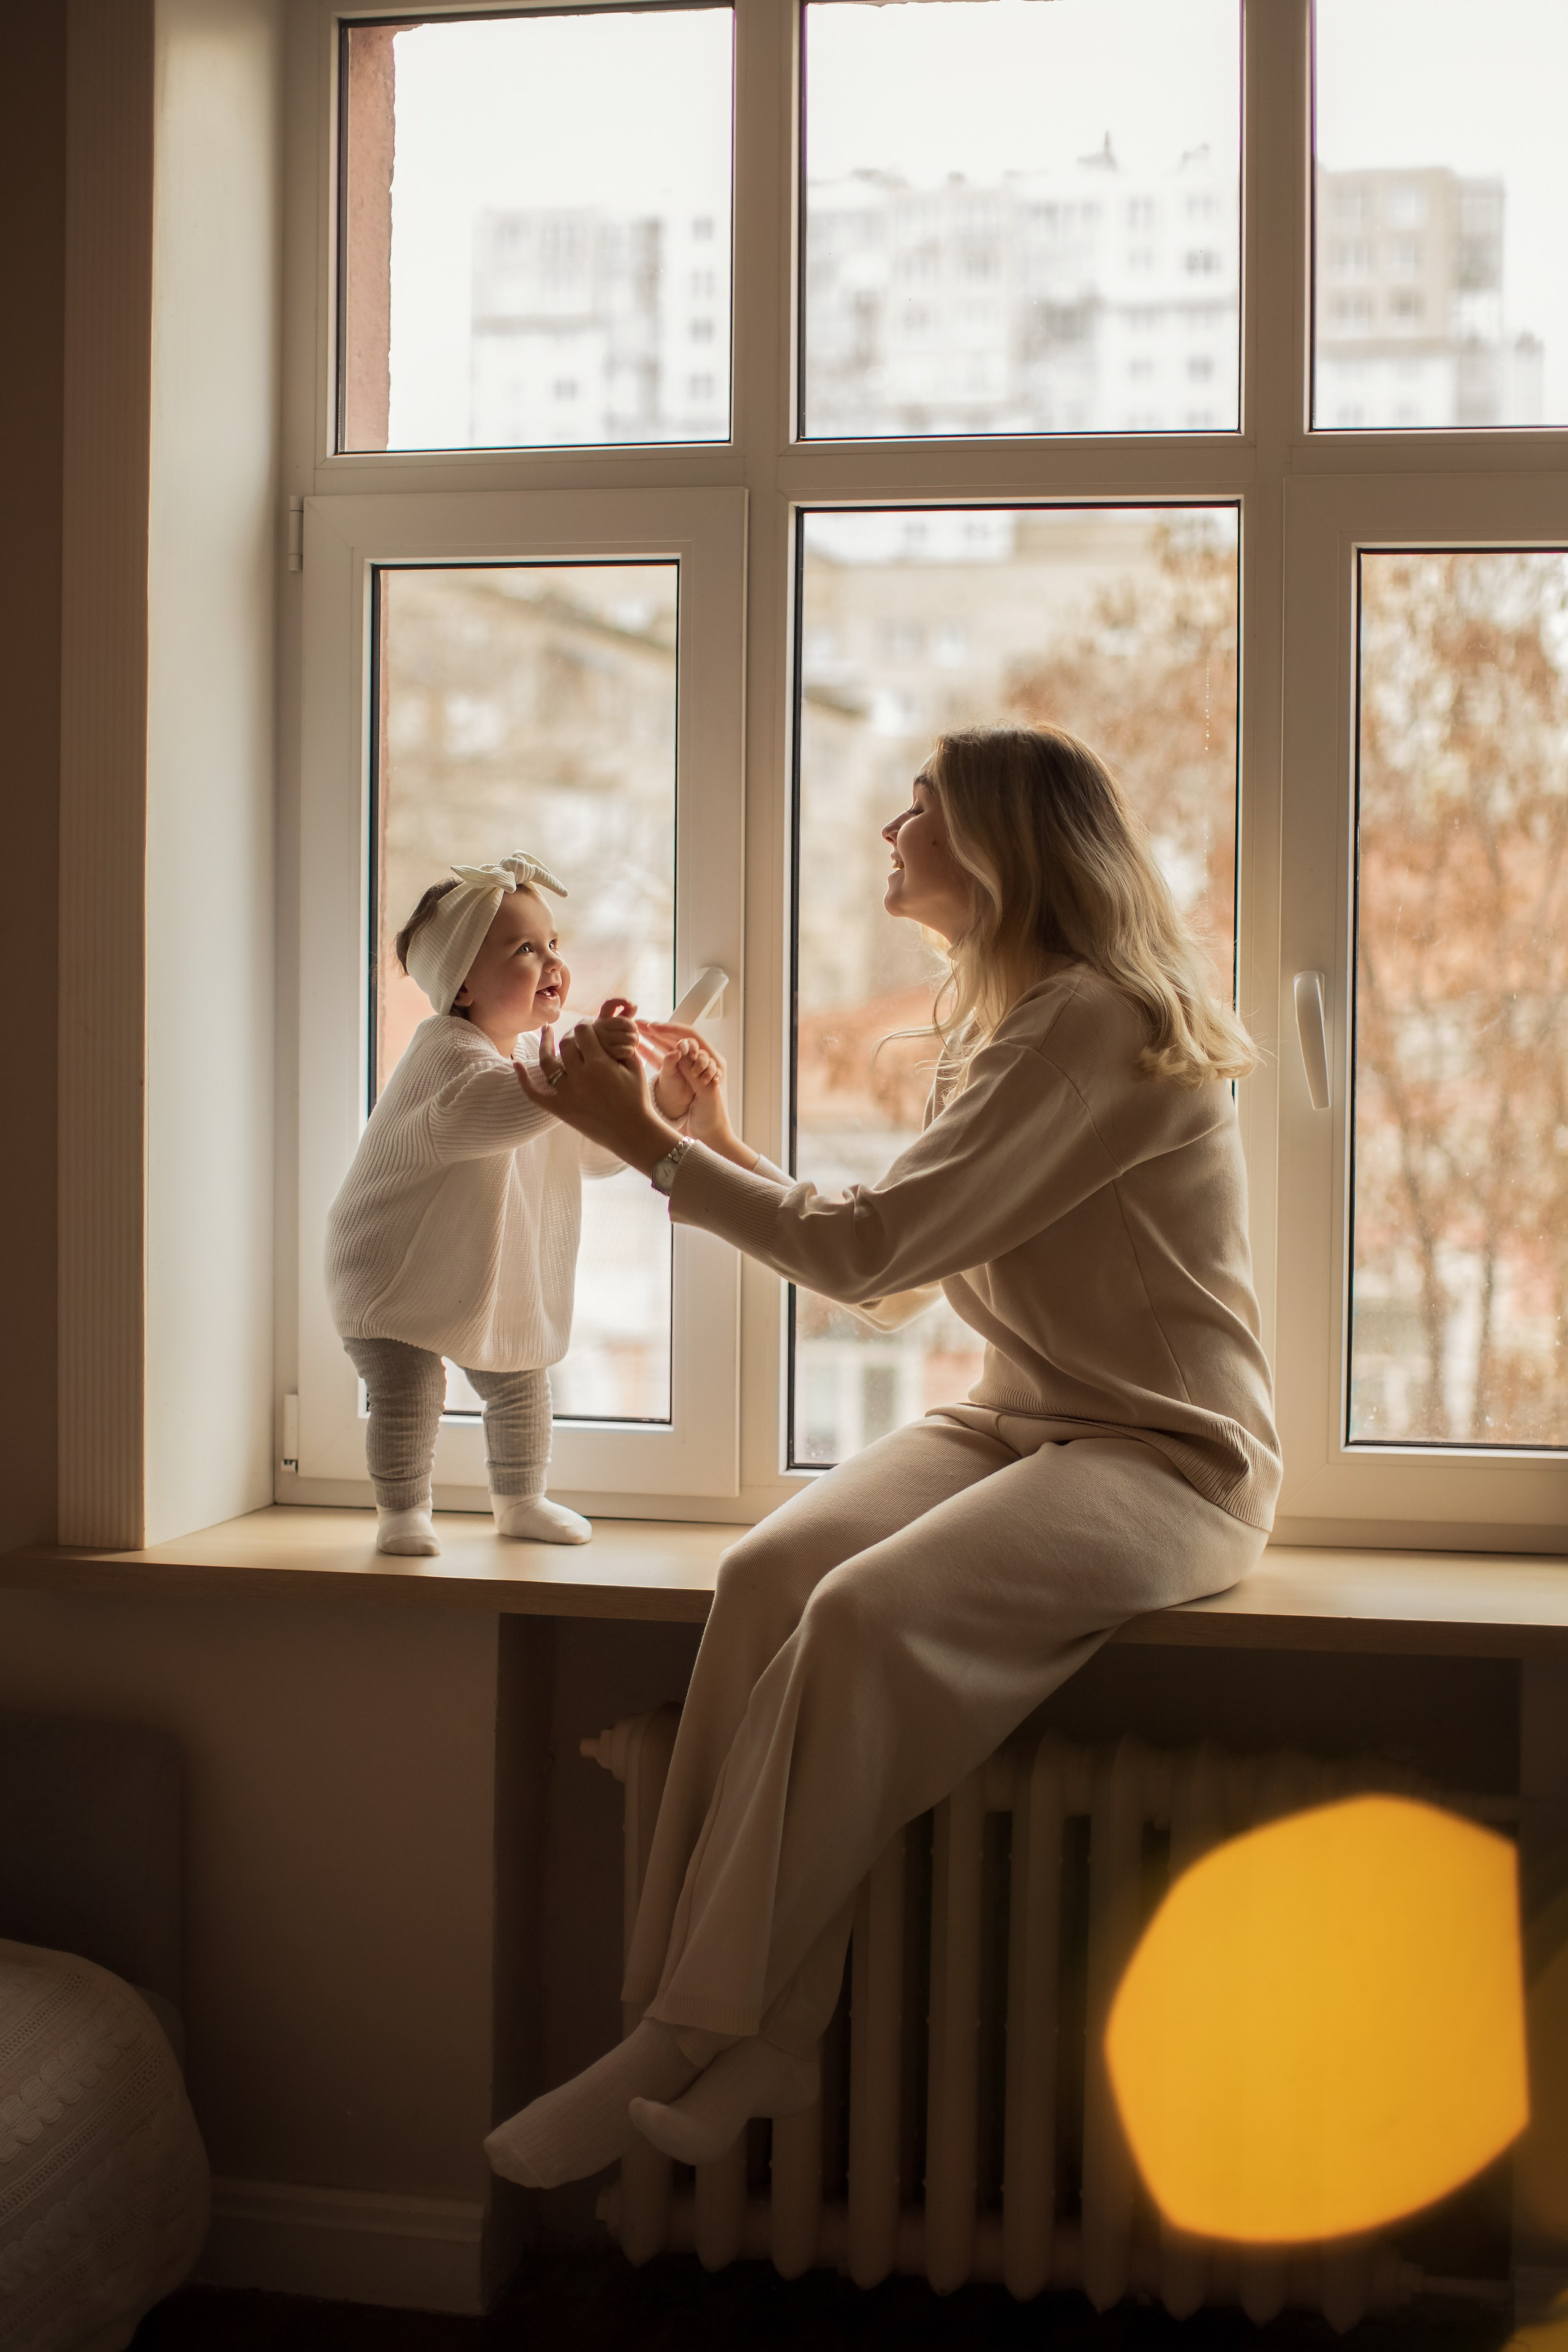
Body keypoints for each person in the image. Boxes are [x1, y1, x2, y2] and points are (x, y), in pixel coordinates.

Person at [483, 727, 1281, 2187]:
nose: (888, 830)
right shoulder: (1005, 1020)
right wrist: (705, 1130)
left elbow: (871, 1249)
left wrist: (650, 1151)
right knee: (769, 1566)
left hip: (1167, 1454)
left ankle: (684, 2034)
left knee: (857, 1615)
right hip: (1019, 1413)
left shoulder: (1086, 1023)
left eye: (917, 809)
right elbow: (899, 1279)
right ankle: (707, 2023)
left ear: (996, 845)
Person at [325, 852, 714, 1557]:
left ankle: (520, 1498)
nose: (553, 963)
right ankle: (403, 1510)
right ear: (464, 986)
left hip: (478, 1270)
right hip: (391, 1269)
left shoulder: (532, 1060)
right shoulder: (446, 1053)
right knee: (410, 1391)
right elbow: (490, 1115)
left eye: (554, 945)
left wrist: (660, 1102)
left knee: (520, 1382)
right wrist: (578, 1068)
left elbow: (589, 1147)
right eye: (525, 949)